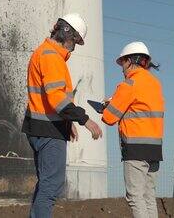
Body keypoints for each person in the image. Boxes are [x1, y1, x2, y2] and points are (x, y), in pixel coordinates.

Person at [22, 13, 103, 218]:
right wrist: (85, 120)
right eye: (75, 40)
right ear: (66, 31)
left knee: (46, 185)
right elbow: (57, 98)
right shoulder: (51, 56)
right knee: (51, 187)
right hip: (48, 131)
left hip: (42, 127)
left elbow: (49, 98)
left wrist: (68, 122)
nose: (74, 47)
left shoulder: (45, 52)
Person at [101, 41, 164, 218]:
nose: (122, 68)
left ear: (130, 61)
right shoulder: (155, 84)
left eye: (122, 63)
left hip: (135, 149)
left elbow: (109, 118)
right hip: (154, 149)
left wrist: (107, 107)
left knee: (135, 197)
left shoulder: (129, 84)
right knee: (148, 196)